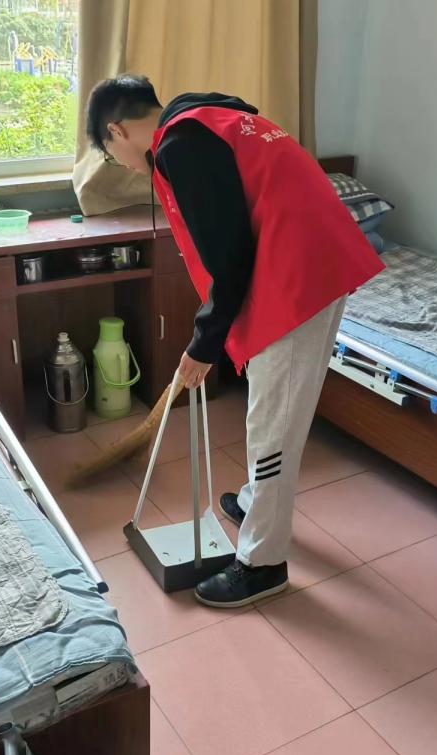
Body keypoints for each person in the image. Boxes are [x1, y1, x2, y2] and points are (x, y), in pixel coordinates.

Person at [85, 74, 384, 607]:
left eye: (112, 156)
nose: (124, 166)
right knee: (277, 412)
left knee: (273, 427)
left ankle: (262, 564)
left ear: (117, 131)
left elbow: (230, 257)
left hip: (296, 282)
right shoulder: (208, 118)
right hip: (310, 264)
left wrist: (203, 345)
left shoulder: (180, 147)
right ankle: (254, 501)